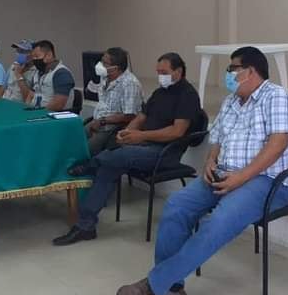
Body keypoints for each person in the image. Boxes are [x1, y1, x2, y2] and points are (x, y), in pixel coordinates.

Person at [115, 46, 288, 295]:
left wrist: (241, 178)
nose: (228, 74)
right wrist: (210, 161)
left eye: (232, 69)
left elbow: (278, 144)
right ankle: (173, 290)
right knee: (176, 206)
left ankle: (155, 284)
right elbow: (217, 139)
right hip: (224, 173)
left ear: (250, 71)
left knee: (217, 221)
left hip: (267, 180)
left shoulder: (277, 97)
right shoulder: (231, 102)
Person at [52, 52, 201, 246]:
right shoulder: (160, 93)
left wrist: (141, 136)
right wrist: (128, 132)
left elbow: (177, 131)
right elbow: (141, 117)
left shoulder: (187, 95)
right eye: (158, 72)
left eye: (164, 72)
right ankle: (85, 226)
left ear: (178, 72)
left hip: (165, 152)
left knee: (117, 155)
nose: (160, 76)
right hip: (144, 144)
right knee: (109, 166)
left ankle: (90, 164)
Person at [85, 47, 143, 156]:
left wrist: (102, 121)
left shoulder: (130, 84)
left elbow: (129, 115)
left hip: (113, 126)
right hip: (98, 121)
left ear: (115, 68)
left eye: (104, 63)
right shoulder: (105, 77)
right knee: (74, 140)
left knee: (86, 151)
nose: (100, 65)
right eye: (101, 61)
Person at [15, 40, 75, 111]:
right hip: (35, 112)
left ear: (49, 55)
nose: (34, 60)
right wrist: (26, 109)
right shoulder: (38, 72)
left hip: (52, 114)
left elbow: (58, 104)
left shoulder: (61, 73)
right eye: (33, 57)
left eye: (37, 56)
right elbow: (30, 95)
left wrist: (39, 113)